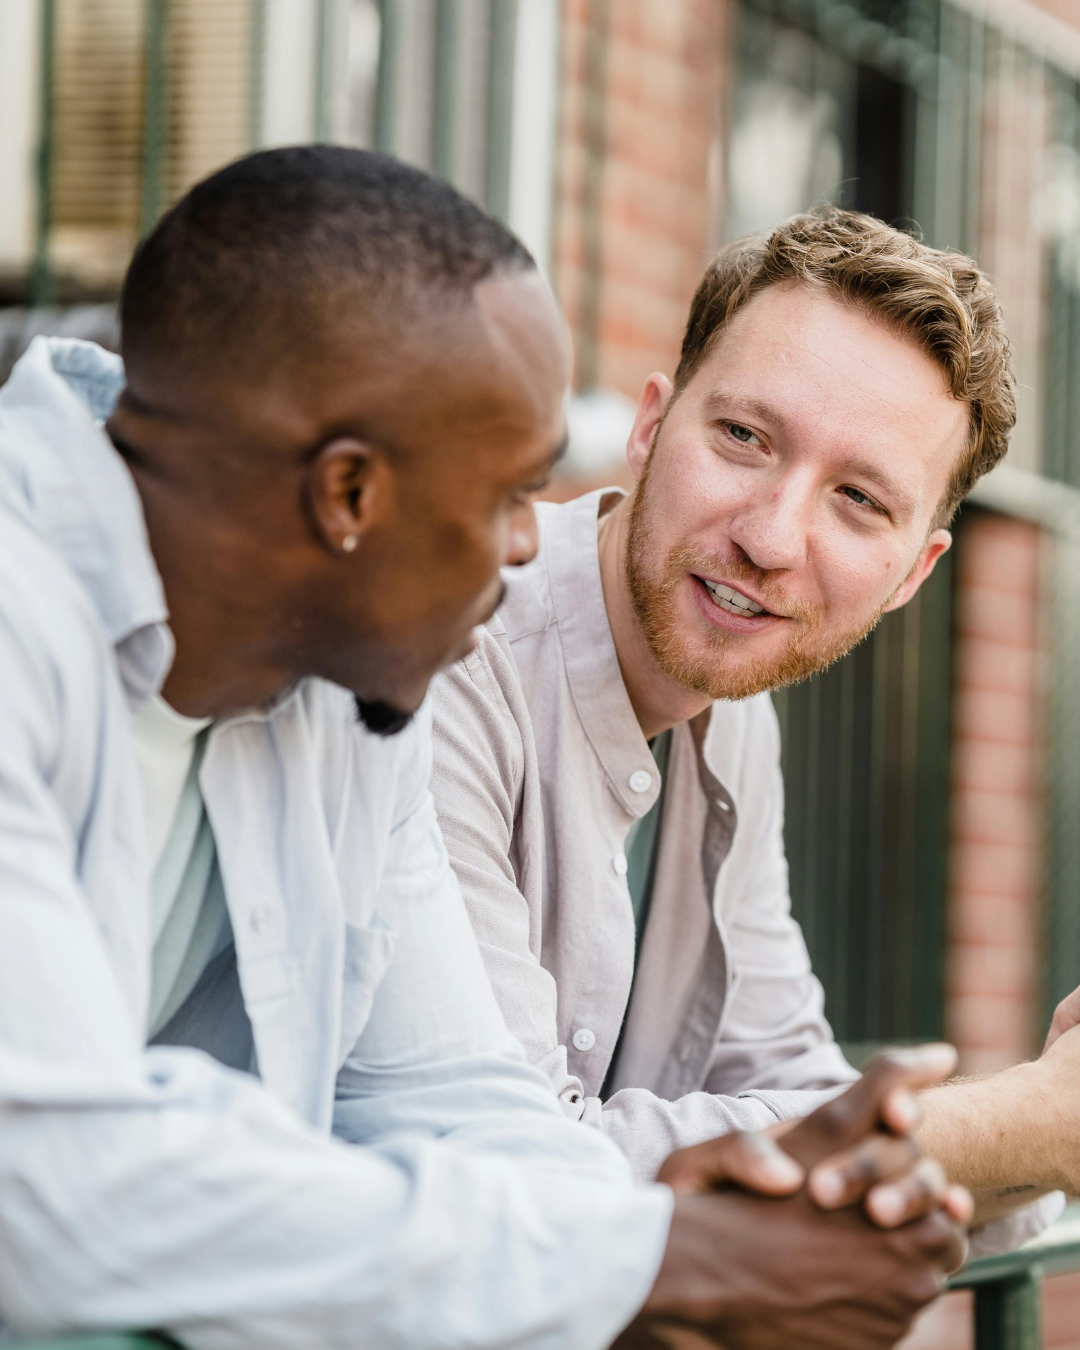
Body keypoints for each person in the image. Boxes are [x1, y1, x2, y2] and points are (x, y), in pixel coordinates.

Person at [0, 151, 966, 1350]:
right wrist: (655, 1262)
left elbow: (452, 1102)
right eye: (511, 493)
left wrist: (669, 1232)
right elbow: (46, 1183)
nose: (527, 547)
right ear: (350, 495)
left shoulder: (350, 689)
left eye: (859, 499)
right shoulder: (23, 623)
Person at [429, 206, 1065, 1252]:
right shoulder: (447, 652)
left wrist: (1046, 1133)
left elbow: (786, 1080)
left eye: (858, 499)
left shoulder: (733, 722)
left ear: (913, 574)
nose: (770, 538)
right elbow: (513, 1172)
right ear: (650, 426)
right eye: (743, 438)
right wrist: (1012, 1126)